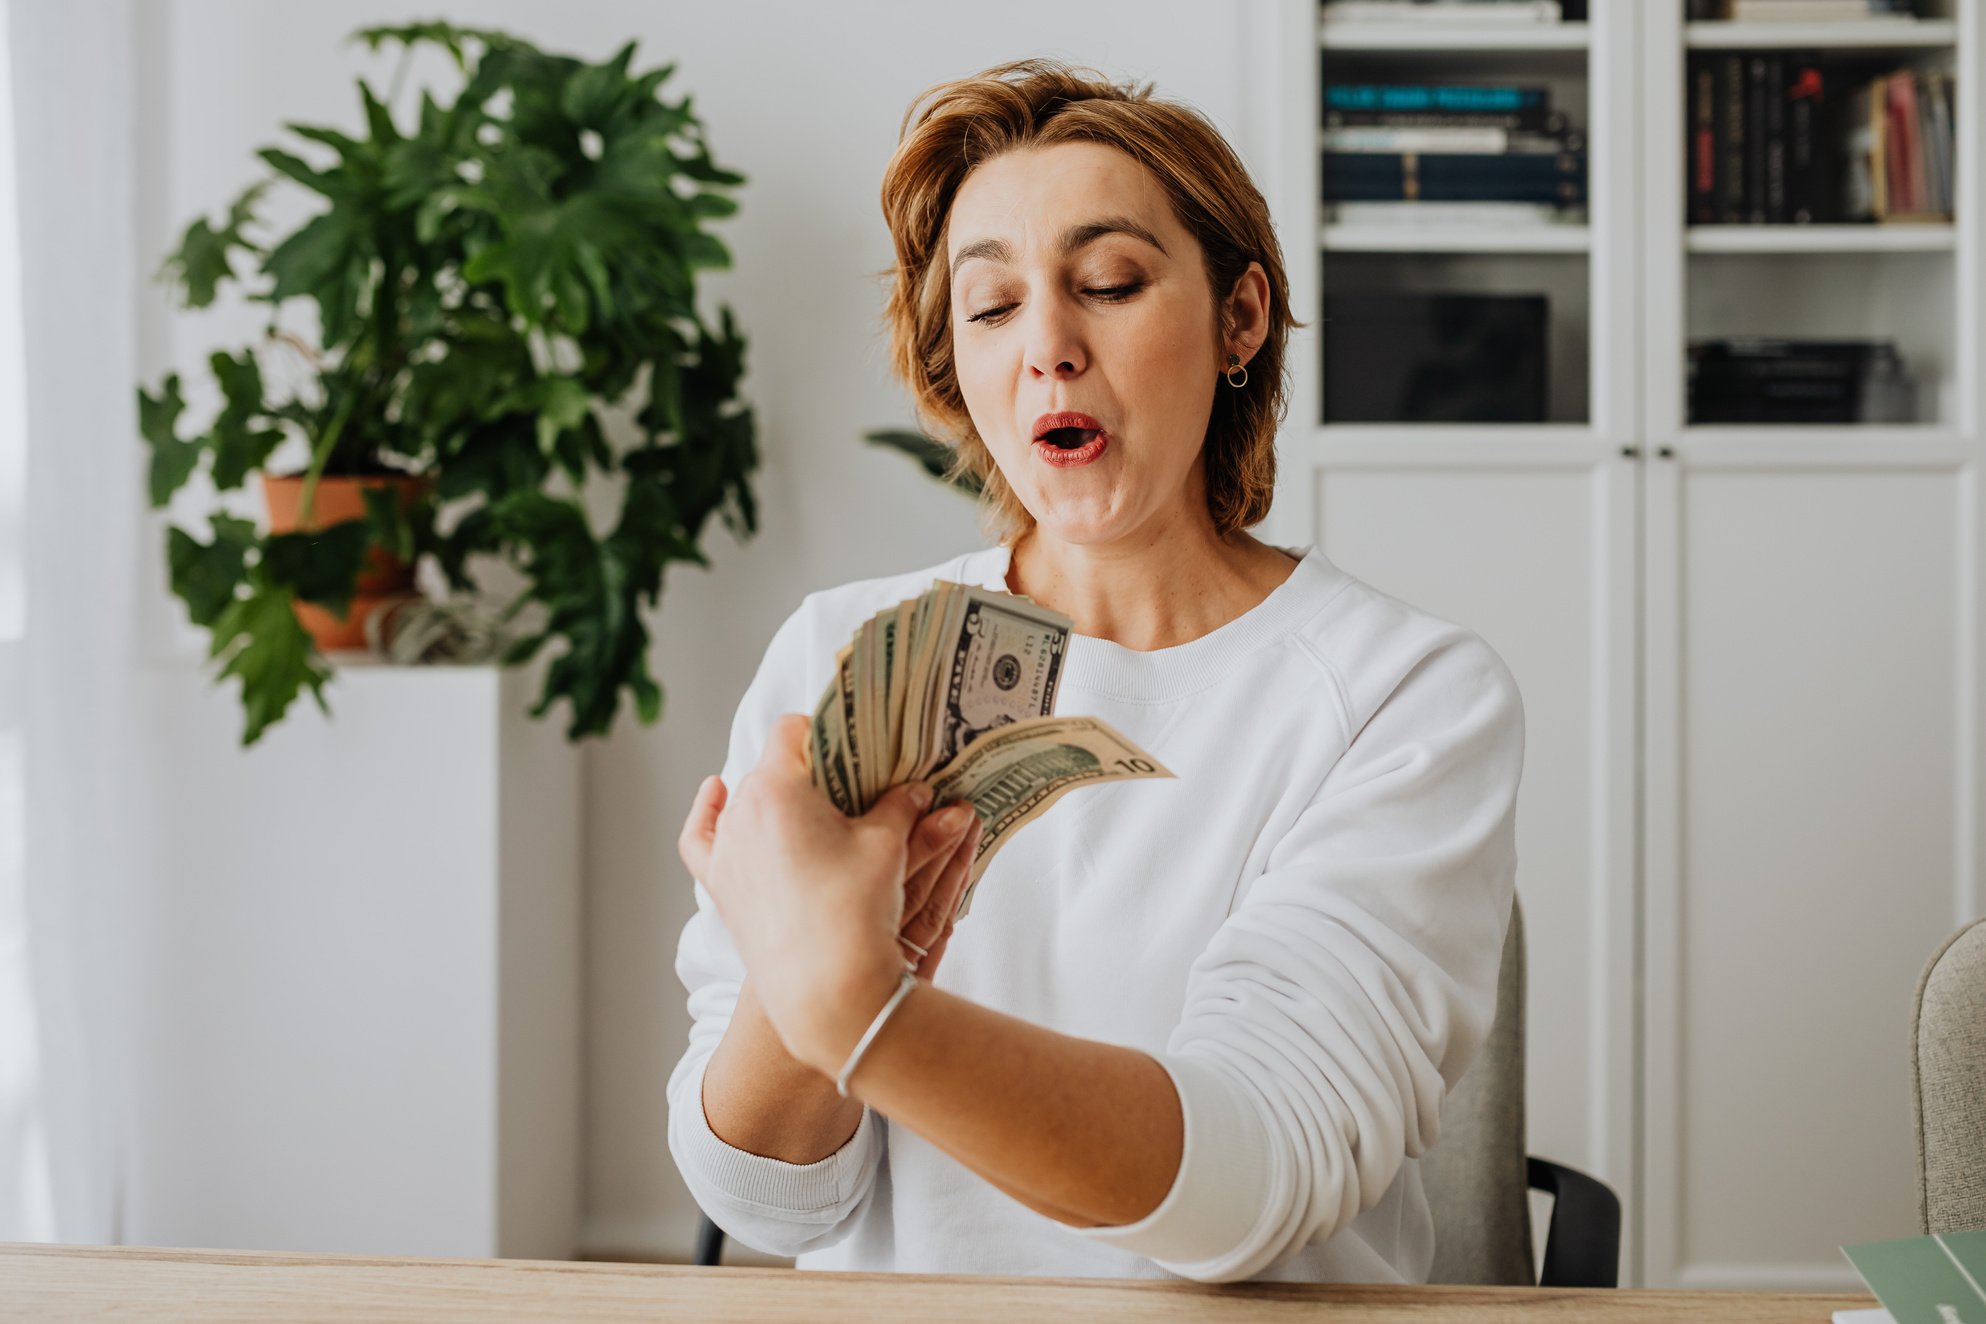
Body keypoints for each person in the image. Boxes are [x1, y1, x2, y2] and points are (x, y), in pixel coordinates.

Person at [666, 58, 1524, 1285]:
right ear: (951, 366)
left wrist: (854, 1007)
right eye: (992, 307)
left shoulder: (1403, 691)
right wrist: (800, 1008)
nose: (1049, 348)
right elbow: (762, 1195)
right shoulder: (834, 655)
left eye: (1109, 282)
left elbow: (1252, 1185)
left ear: (1241, 320)